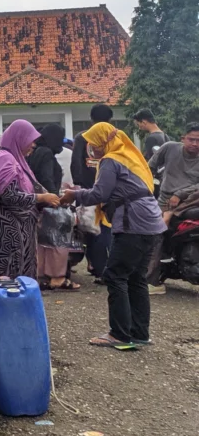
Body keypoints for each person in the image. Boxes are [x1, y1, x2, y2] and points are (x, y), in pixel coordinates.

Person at [60, 124, 166, 348]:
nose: (90, 147)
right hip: (150, 221)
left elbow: (100, 193)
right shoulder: (129, 156)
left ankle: (119, 334)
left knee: (115, 275)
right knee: (136, 277)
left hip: (132, 222)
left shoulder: (110, 160)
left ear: (102, 142)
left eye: (92, 142)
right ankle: (139, 332)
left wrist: (73, 195)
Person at [0, 120, 61, 281]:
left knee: (15, 287)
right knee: (5, 286)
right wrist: (41, 198)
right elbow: (10, 196)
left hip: (15, 232)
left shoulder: (14, 159)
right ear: (19, 138)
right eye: (30, 140)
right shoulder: (6, 160)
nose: (33, 145)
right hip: (6, 236)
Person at [146, 123, 199, 294]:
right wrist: (144, 187)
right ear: (182, 138)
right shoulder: (169, 148)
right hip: (166, 201)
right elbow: (148, 168)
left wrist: (180, 194)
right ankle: (151, 281)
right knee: (156, 234)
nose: (195, 144)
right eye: (191, 139)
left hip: (192, 201)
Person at [29, 124, 80, 291]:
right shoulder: (47, 154)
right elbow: (46, 177)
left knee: (43, 243)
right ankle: (57, 277)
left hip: (38, 204)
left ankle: (41, 276)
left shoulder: (36, 152)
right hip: (49, 202)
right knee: (58, 242)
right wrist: (56, 198)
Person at [72, 105, 115, 281]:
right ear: (110, 120)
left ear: (91, 119)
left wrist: (78, 187)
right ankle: (109, 268)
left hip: (88, 191)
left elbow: (76, 164)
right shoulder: (115, 136)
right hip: (110, 190)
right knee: (108, 229)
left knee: (91, 229)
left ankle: (98, 268)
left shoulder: (82, 137)